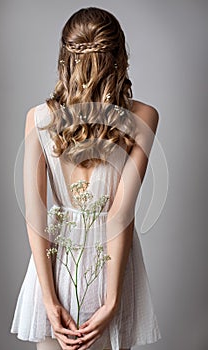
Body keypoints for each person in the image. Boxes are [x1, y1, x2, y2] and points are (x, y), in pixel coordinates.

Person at [10, 6, 162, 350]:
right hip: (108, 269)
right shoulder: (144, 117)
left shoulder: (37, 119)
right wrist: (111, 300)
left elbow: (36, 219)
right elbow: (118, 218)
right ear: (120, 57)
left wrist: (49, 303)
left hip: (53, 266)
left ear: (65, 58)